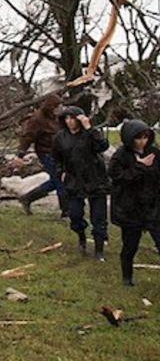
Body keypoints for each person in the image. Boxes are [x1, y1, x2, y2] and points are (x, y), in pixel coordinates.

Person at [50, 105, 110, 260]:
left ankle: (99, 249)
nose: (70, 121)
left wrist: (89, 128)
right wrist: (60, 172)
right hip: (74, 180)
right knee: (75, 215)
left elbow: (102, 146)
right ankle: (81, 235)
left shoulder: (90, 134)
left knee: (99, 217)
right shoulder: (60, 137)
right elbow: (56, 158)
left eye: (73, 118)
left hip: (95, 178)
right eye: (67, 118)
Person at [108, 119, 160, 286]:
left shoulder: (154, 153)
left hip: (152, 206)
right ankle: (127, 277)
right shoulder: (120, 156)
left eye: (145, 137)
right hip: (130, 208)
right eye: (138, 138)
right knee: (130, 246)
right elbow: (118, 178)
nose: (142, 142)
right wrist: (140, 166)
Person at [12, 94, 67, 215]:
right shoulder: (37, 119)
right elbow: (28, 137)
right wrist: (20, 154)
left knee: (55, 181)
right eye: (57, 106)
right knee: (60, 180)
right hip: (46, 152)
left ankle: (27, 198)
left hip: (58, 153)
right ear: (51, 107)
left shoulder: (56, 118)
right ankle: (66, 211)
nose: (60, 108)